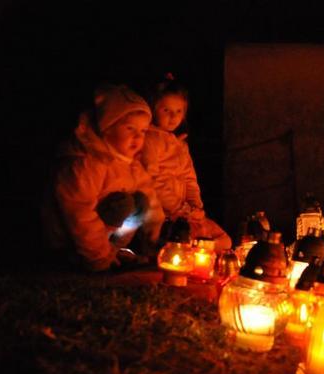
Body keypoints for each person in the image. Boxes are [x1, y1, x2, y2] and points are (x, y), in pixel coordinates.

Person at [42, 85, 165, 271]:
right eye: (130, 129)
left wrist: (154, 230)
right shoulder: (85, 163)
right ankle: (90, 256)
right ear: (107, 129)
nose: (137, 137)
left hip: (103, 231)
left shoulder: (130, 164)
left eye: (143, 131)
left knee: (140, 202)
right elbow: (79, 214)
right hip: (69, 239)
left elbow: (149, 193)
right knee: (123, 204)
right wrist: (98, 256)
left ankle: (113, 251)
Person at [140, 74, 231, 250]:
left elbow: (190, 180)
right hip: (164, 214)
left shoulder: (181, 145)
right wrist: (179, 208)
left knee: (225, 240)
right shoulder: (149, 140)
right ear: (153, 109)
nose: (173, 117)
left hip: (186, 214)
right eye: (166, 110)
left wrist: (195, 207)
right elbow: (151, 180)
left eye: (178, 111)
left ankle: (198, 247)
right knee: (173, 243)